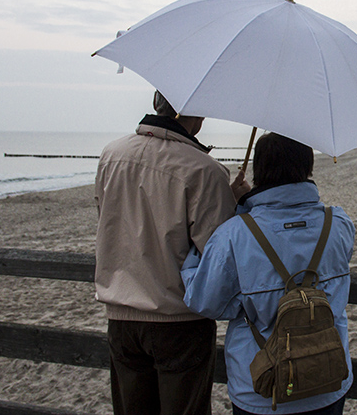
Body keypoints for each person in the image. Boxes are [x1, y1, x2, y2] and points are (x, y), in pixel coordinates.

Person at [94, 90, 250, 415]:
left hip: (120, 312)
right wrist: (231, 203)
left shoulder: (112, 155)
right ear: (195, 114)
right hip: (178, 318)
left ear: (156, 104)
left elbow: (108, 219)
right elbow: (216, 251)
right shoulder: (204, 170)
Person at [181, 133, 355, 415]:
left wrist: (191, 265)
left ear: (259, 169)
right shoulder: (339, 223)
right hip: (328, 378)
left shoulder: (234, 234)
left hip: (261, 389)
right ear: (307, 165)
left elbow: (206, 301)